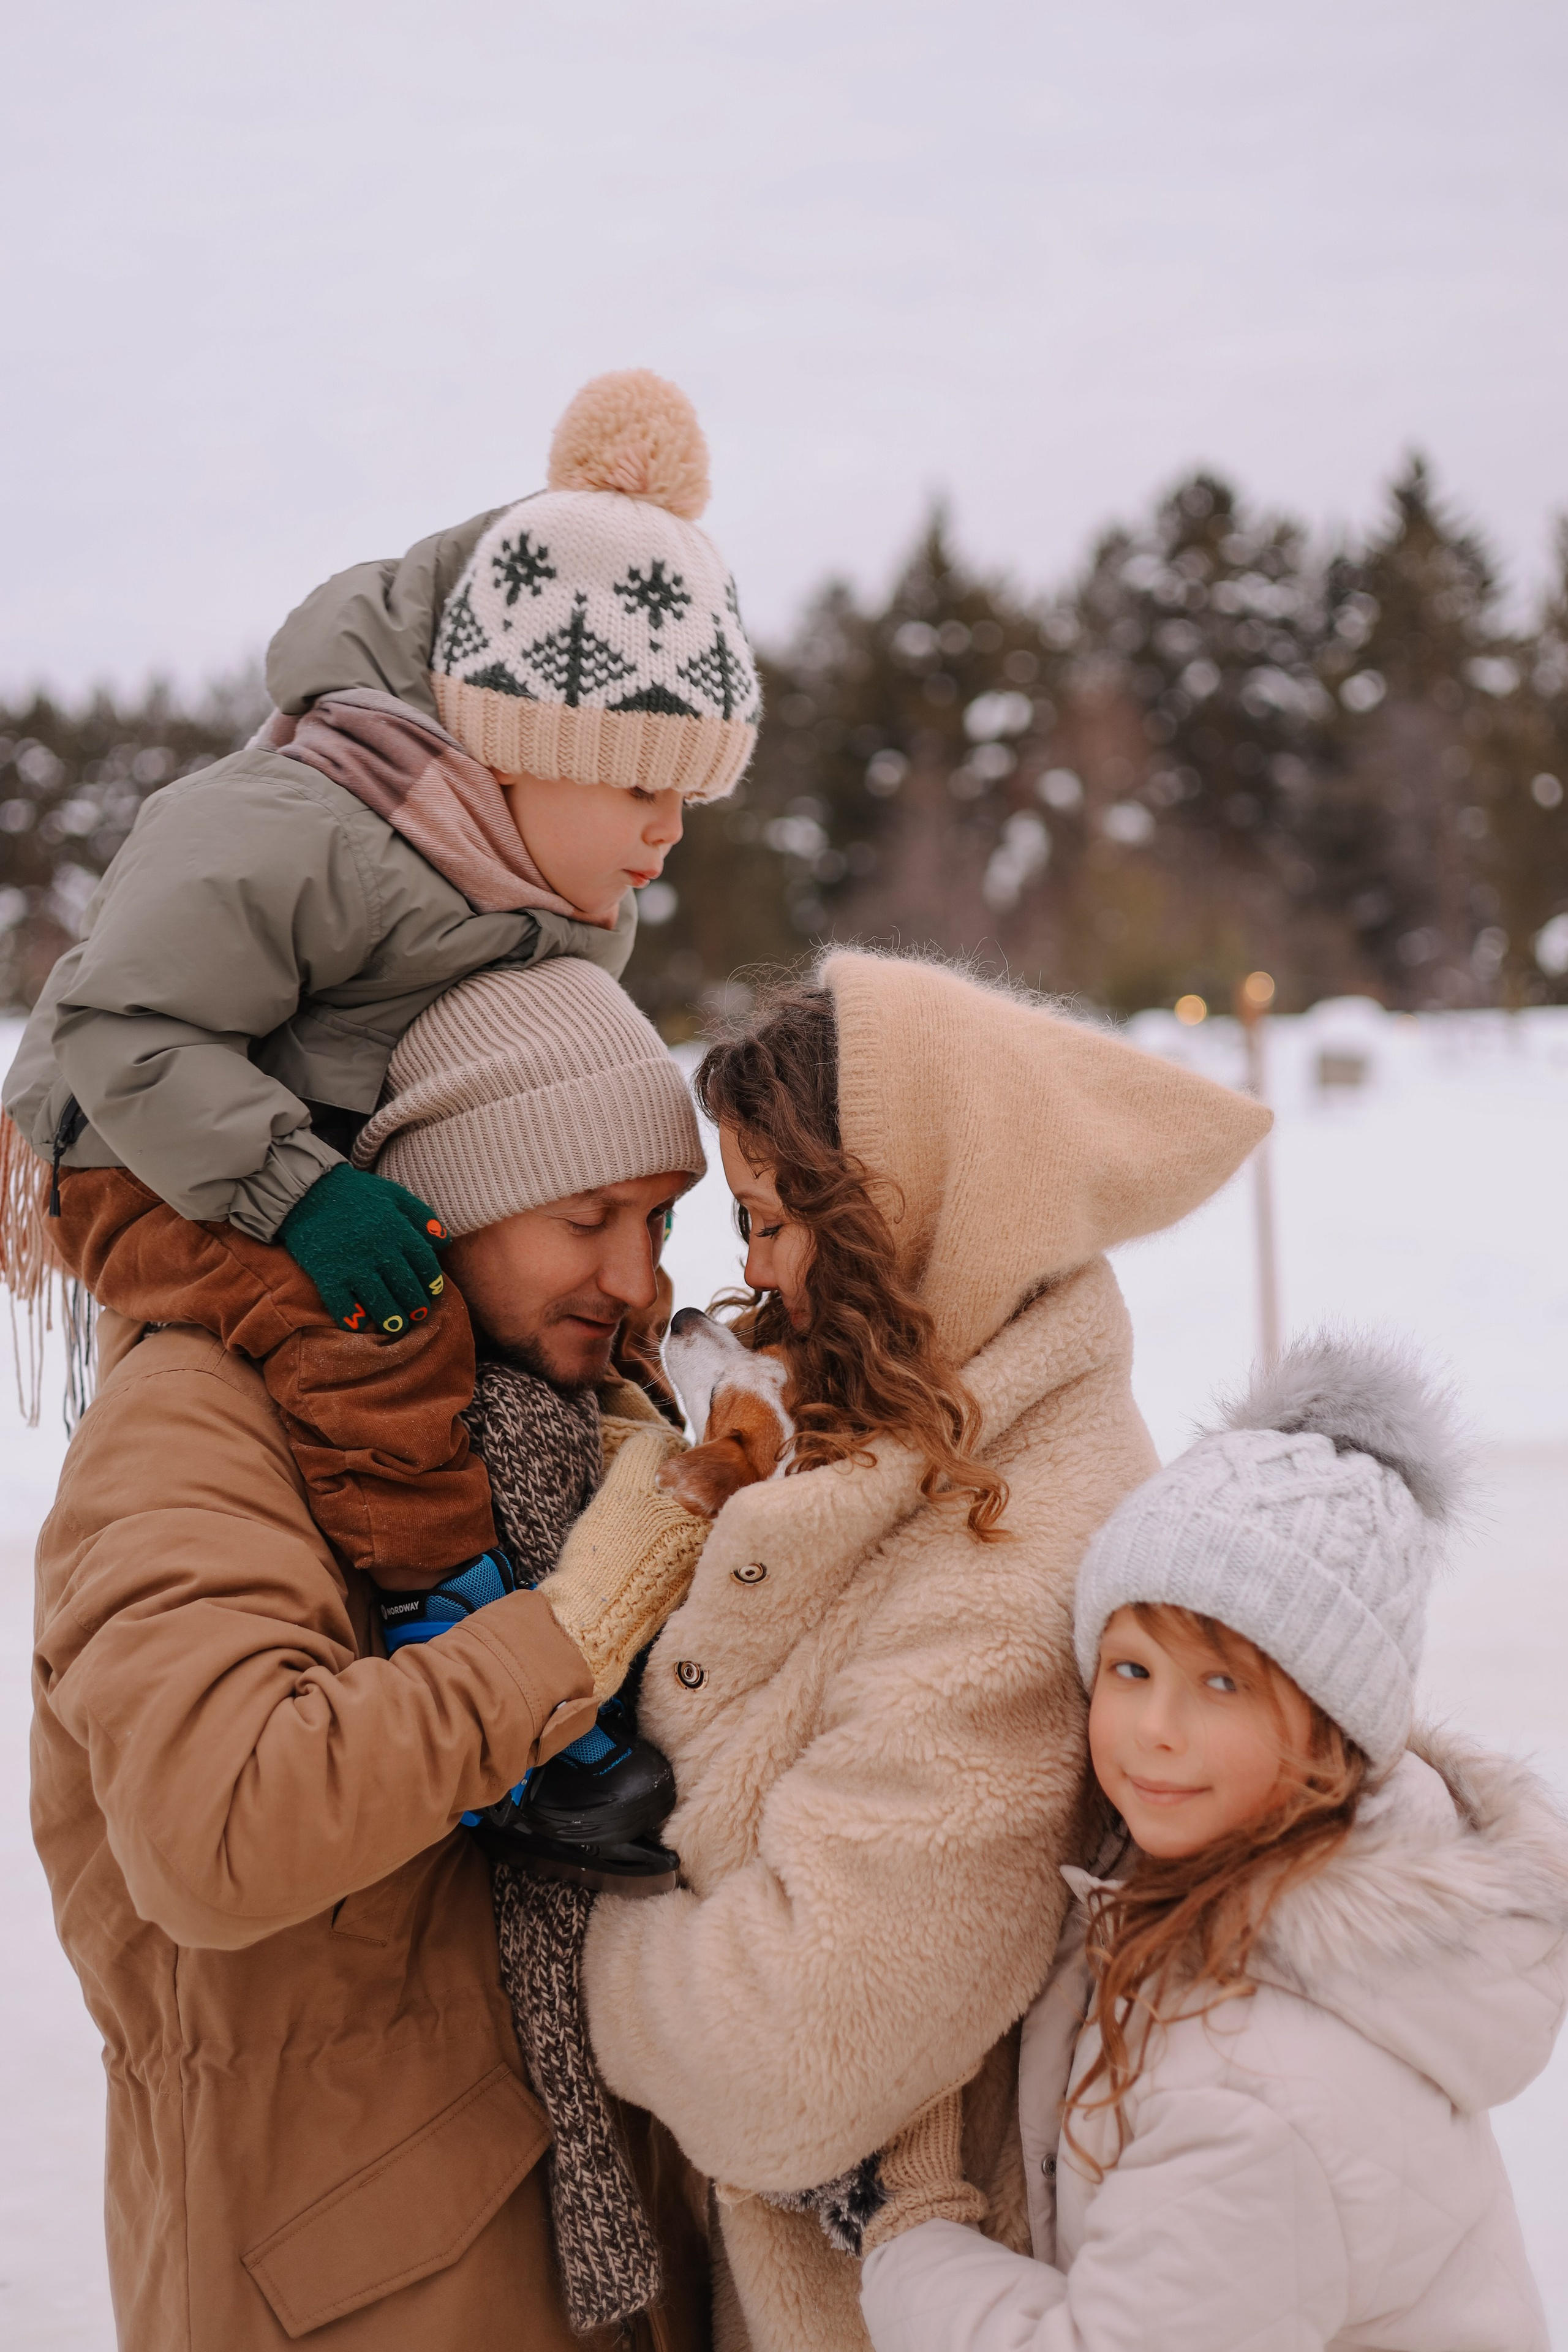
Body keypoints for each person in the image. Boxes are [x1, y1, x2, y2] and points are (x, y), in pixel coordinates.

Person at [547, 950, 1270, 2352]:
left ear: (909, 1220)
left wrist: (556, 1936)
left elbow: (795, 2050)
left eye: (766, 1221)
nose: (742, 1269)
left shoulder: (1016, 1543)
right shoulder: (889, 1426)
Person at [30, 958, 712, 2352]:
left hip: (606, 2257)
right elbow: (217, 1828)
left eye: (659, 1221)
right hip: (355, 2284)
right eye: (588, 1217)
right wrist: (574, 1633)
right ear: (440, 1202)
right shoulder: (199, 1422)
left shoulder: (554, 1418)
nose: (638, 1280)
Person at [1, 366, 759, 1605]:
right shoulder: (301, 827)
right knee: (380, 1327)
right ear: (523, 746)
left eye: (692, 797)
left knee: (572, 1323)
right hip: (137, 1145)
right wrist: (303, 1199)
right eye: (640, 788)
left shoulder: (567, 905)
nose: (669, 831)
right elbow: (123, 1025)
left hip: (309, 1143)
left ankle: (647, 1555)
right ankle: (446, 1609)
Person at [857, 1333, 1568, 2352]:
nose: (1155, 1727)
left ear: (1332, 1724)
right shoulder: (1214, 1880)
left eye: (1222, 1683)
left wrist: (906, 2237)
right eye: (1132, 1668)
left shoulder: (1259, 2086)